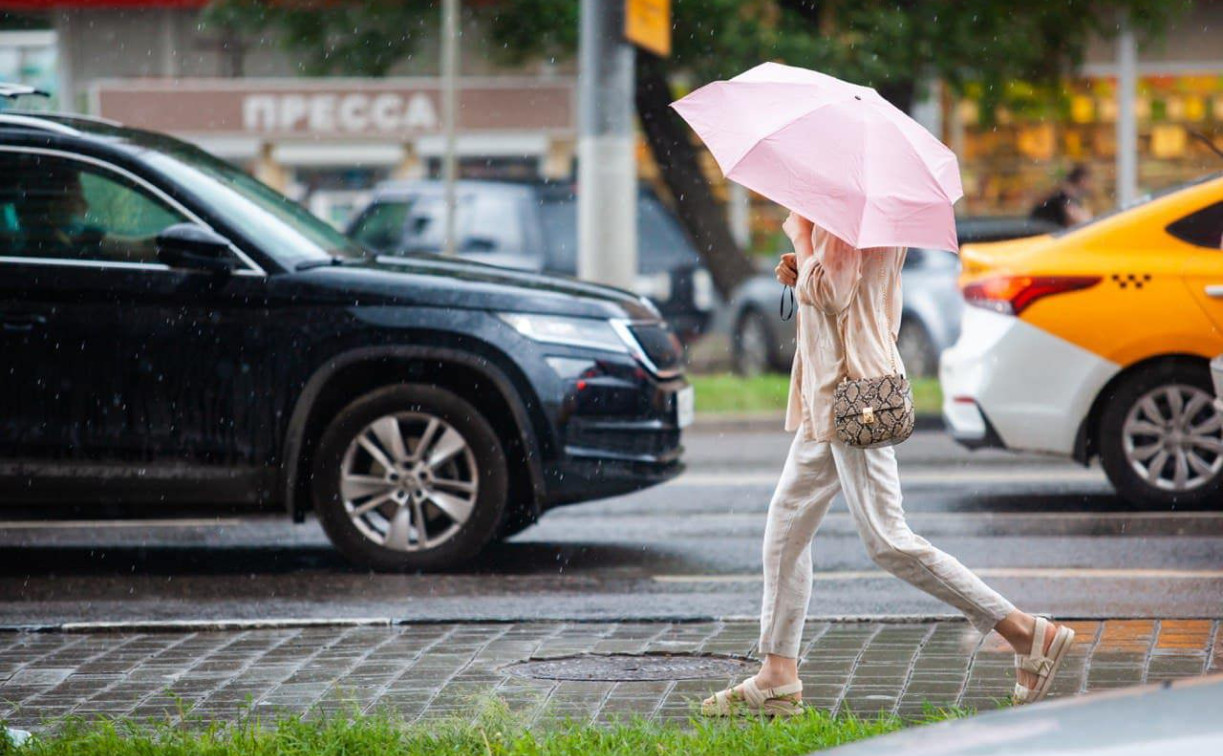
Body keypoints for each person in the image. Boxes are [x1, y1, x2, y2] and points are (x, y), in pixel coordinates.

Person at [701, 212, 1075, 718]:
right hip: (832, 390)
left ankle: (1027, 633)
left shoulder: (841, 204)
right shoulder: (863, 202)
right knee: (786, 527)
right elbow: (852, 283)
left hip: (853, 393)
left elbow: (834, 292)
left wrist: (802, 236)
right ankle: (777, 676)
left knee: (888, 539)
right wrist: (804, 265)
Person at [1030, 163, 1094, 228]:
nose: (1090, 184)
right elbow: (1073, 214)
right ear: (1082, 180)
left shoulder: (1068, 192)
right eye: (1088, 180)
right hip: (1041, 225)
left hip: (1043, 224)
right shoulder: (1067, 192)